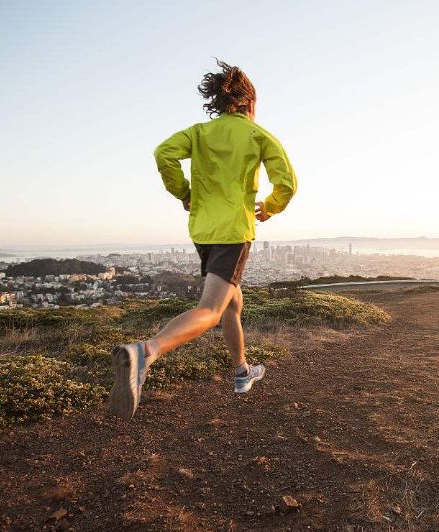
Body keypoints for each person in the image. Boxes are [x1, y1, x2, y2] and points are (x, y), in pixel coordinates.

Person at [108, 60, 297, 419]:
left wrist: (183, 192)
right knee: (210, 310)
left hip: (203, 231)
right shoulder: (259, 136)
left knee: (231, 304)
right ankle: (145, 353)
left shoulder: (198, 133)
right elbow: (286, 183)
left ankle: (242, 372)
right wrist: (271, 207)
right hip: (233, 232)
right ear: (249, 104)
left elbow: (163, 153)